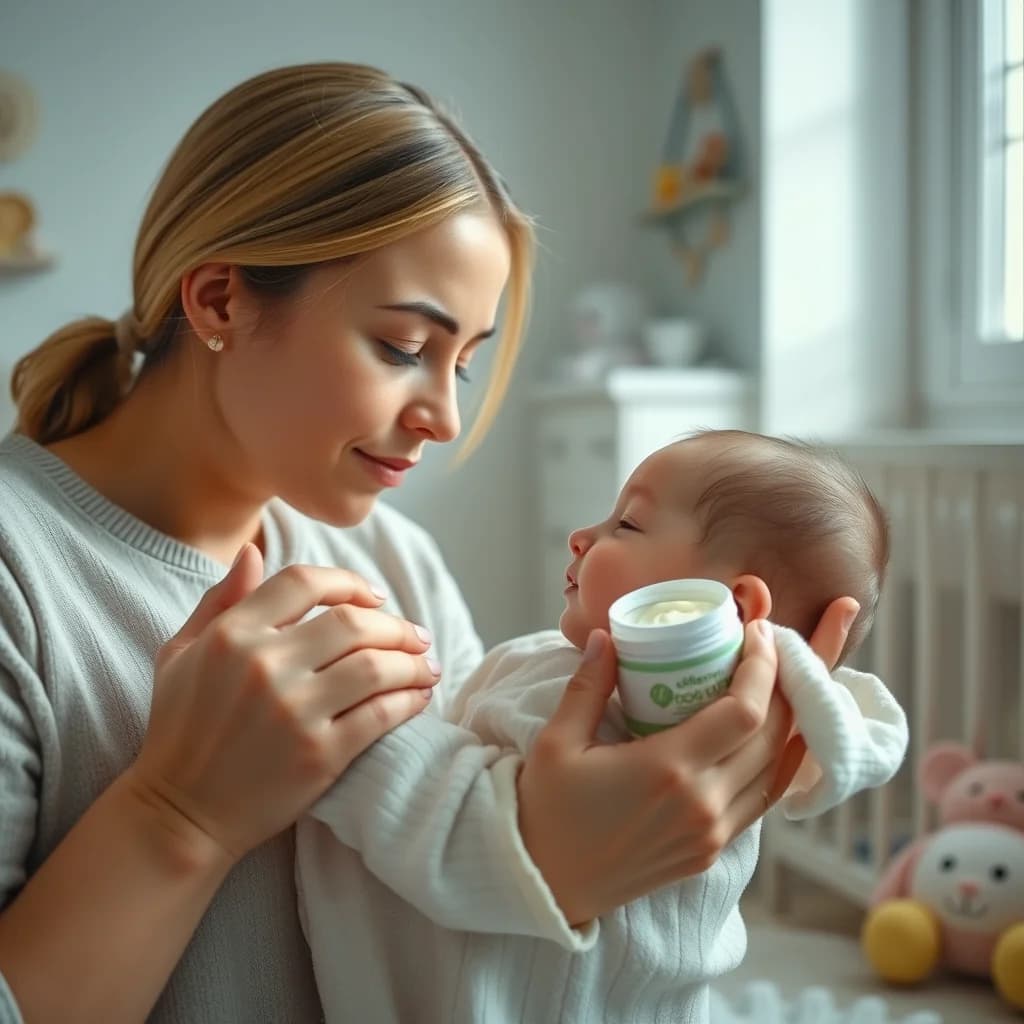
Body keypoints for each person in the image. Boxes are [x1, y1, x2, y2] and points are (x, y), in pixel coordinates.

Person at [0, 63, 857, 1022]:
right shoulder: (19, 573)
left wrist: (564, 861)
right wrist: (179, 814)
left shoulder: (394, 563)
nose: (446, 417)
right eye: (406, 347)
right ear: (218, 301)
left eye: (465, 359)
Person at [297, 430, 908, 1023]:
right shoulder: (564, 665)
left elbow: (445, 807)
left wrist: (340, 718)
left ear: (727, 604)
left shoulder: (628, 729)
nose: (582, 535)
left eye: (628, 524)